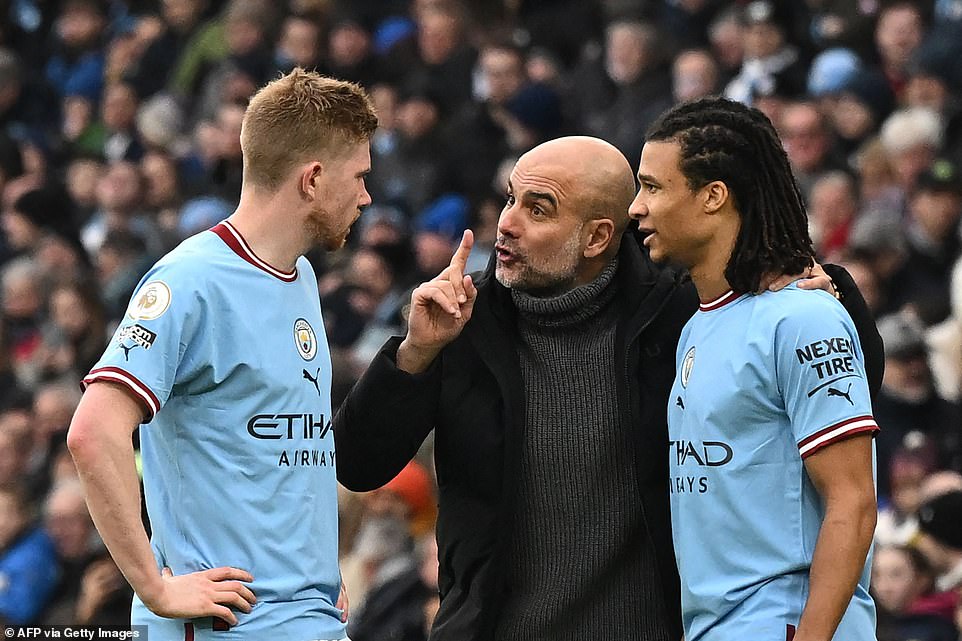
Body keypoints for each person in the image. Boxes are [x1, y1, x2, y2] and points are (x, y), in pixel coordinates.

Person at [334, 135, 882, 640]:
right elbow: (356, 464)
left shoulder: (679, 310)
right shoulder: (461, 319)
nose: (507, 224)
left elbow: (848, 382)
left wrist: (833, 294)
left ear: (598, 236)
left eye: (538, 208)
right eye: (509, 200)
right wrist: (415, 353)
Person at [66, 68, 378, 641]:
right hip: (228, 627)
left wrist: (312, 576)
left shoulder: (302, 277)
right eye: (358, 175)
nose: (366, 194)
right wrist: (154, 588)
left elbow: (288, 445)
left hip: (307, 619)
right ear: (312, 179)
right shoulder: (191, 281)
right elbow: (93, 431)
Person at [629, 96, 879, 641]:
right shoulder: (697, 326)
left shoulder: (804, 316)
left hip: (784, 621)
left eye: (652, 186)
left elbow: (853, 502)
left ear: (713, 195)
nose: (635, 208)